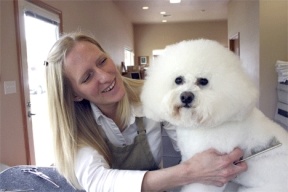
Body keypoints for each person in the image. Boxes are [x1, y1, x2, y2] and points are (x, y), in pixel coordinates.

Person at [45, 32, 247, 192]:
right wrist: (189, 172)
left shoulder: (154, 95)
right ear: (74, 95)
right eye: (87, 77)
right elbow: (99, 182)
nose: (105, 77)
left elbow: (189, 138)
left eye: (102, 61)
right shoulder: (74, 128)